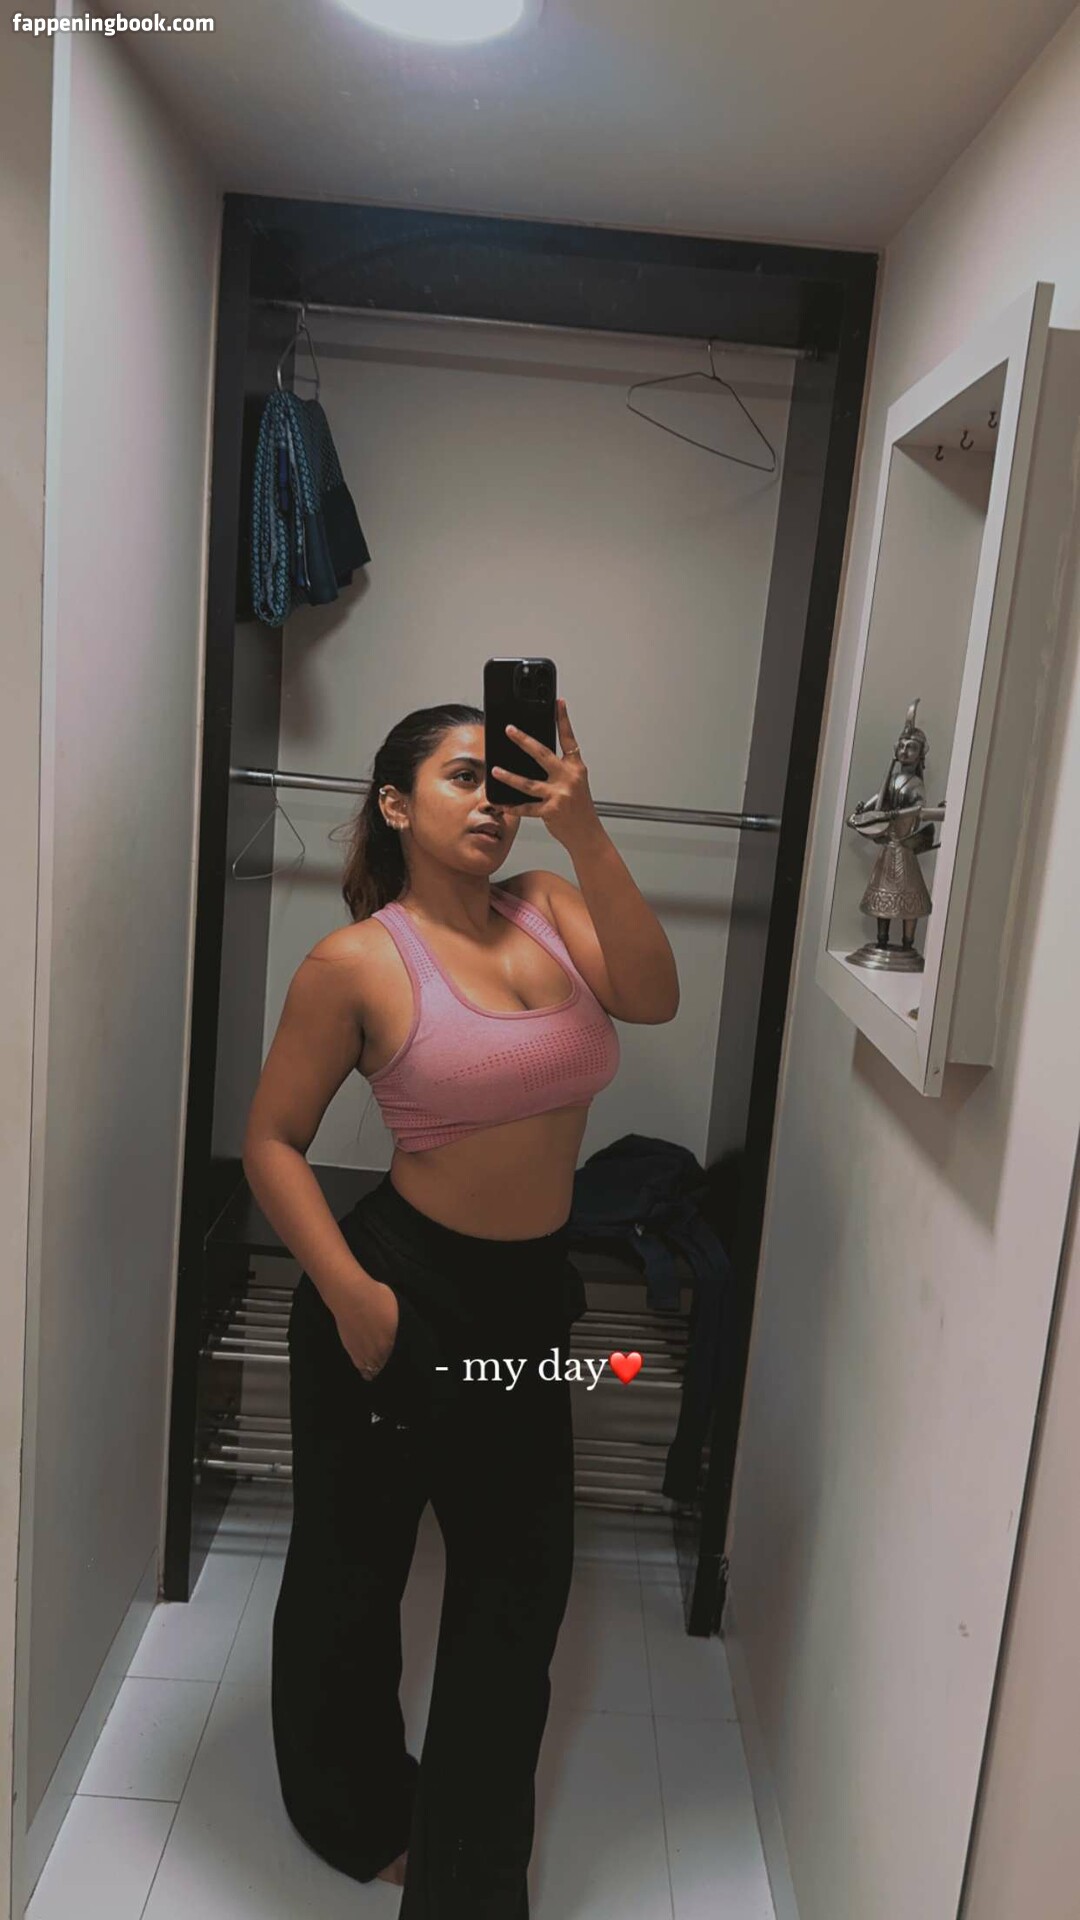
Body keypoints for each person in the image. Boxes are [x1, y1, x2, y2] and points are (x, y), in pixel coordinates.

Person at [241, 694, 680, 1917]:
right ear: (395, 804)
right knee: (350, 1582)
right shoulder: (357, 963)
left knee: (516, 1592)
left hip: (525, 1310)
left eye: (506, 780)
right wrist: (352, 1297)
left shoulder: (550, 905)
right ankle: (351, 1815)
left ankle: (470, 1883)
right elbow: (272, 1142)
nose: (492, 800)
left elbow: (653, 997)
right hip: (400, 1295)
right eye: (460, 777)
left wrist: (582, 825)